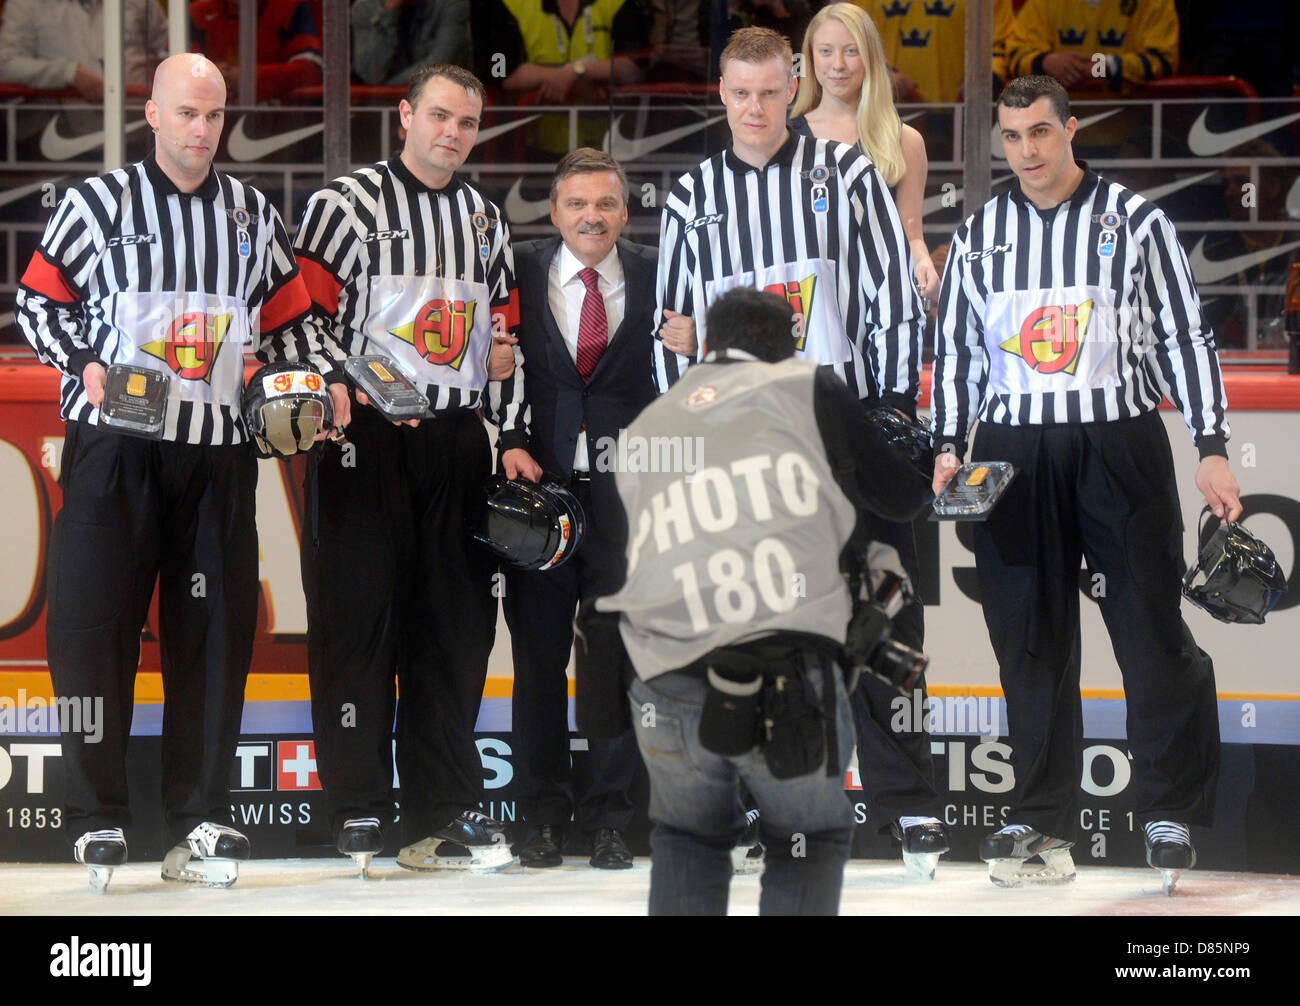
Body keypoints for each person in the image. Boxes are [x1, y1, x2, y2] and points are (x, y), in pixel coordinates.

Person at [14, 53, 334, 892]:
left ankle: (200, 818)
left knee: (216, 638)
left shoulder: (253, 215)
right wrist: (82, 365)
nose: (201, 130)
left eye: (214, 115)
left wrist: (283, 379)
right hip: (115, 452)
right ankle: (93, 818)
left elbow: (292, 325)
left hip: (217, 455)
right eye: (186, 113)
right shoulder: (94, 206)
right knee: (93, 631)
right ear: (151, 115)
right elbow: (38, 302)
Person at [930, 75, 1240, 891]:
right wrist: (947, 448)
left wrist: (1210, 443)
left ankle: (1167, 810)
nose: (1027, 150)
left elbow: (1184, 333)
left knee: (1146, 624)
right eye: (1012, 136)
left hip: (1116, 444)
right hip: (1008, 451)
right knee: (1027, 640)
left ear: (1071, 130)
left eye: (1040, 132)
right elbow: (959, 353)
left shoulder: (1137, 220)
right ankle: (1038, 819)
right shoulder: (982, 230)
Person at [652, 23, 929, 869]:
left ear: (793, 86)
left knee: (875, 605)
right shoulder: (692, 191)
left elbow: (890, 292)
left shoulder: (845, 172)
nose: (755, 108)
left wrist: (889, 407)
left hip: (835, 428)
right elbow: (670, 327)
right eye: (739, 93)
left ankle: (904, 805)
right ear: (721, 95)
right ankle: (757, 804)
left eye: (771, 91)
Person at [593, 287, 933, 914]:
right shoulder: (808, 388)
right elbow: (901, 500)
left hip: (667, 662)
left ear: (710, 342)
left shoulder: (657, 416)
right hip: (785, 661)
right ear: (788, 343)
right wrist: (925, 471)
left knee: (689, 839)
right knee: (805, 836)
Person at [288, 63, 542, 875]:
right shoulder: (341, 205)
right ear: (403, 115)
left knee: (454, 633)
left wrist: (501, 397)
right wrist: (353, 389)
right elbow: (300, 326)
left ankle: (440, 814)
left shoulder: (483, 217)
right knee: (358, 627)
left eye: (467, 122)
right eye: (439, 116)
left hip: (455, 443)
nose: (453, 133)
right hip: (363, 444)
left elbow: (504, 340)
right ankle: (359, 807)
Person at [785, 1, 947, 876]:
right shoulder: (787, 137)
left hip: (872, 399)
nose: (839, 61)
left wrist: (920, 265)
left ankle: (906, 805)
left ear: (871, 57)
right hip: (797, 401)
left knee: (887, 597)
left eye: (851, 49)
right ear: (808, 59)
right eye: (825, 49)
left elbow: (909, 238)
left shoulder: (904, 142)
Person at [505, 148, 656, 869]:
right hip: (542, 492)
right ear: (554, 211)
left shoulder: (661, 275)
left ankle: (610, 819)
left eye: (605, 204)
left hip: (630, 496)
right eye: (576, 204)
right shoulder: (520, 273)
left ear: (625, 212)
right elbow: (490, 360)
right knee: (537, 660)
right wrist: (508, 437)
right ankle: (539, 815)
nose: (591, 217)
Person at [853, 0, 1013, 104]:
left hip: (962, 112)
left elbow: (1002, 41)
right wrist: (879, 74)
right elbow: (852, 36)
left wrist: (985, 77)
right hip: (883, 105)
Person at [0, 0, 167, 99]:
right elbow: (6, 64)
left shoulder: (139, 2)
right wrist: (68, 73)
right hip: (58, 126)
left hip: (139, 125)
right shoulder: (26, 4)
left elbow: (168, 50)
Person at [1005, 0, 1179, 95]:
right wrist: (1045, 62)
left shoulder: (1152, 3)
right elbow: (1015, 52)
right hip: (1054, 130)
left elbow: (1164, 60)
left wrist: (1103, 66)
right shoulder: (1044, 3)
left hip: (1131, 130)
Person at [189, 0, 323, 102]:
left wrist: (249, 79)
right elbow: (174, 69)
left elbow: (311, 70)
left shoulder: (289, 6)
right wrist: (209, 77)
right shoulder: (198, 12)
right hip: (209, 124)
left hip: (279, 125)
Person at [351, 0, 472, 85]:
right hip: (381, 105)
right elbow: (371, 74)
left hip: (441, 95)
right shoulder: (364, 7)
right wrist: (389, 11)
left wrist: (387, 87)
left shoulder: (451, 4)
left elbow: (441, 64)